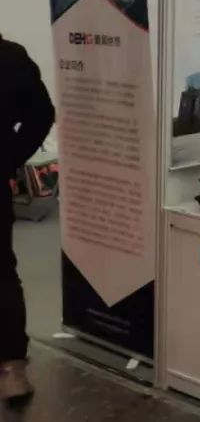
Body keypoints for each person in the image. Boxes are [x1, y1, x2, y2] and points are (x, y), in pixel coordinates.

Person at [0, 35, 55, 401]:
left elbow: (40, 114)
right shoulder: (9, 55)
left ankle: (11, 366)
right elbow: (41, 114)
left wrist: (10, 157)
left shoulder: (8, 57)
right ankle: (11, 368)